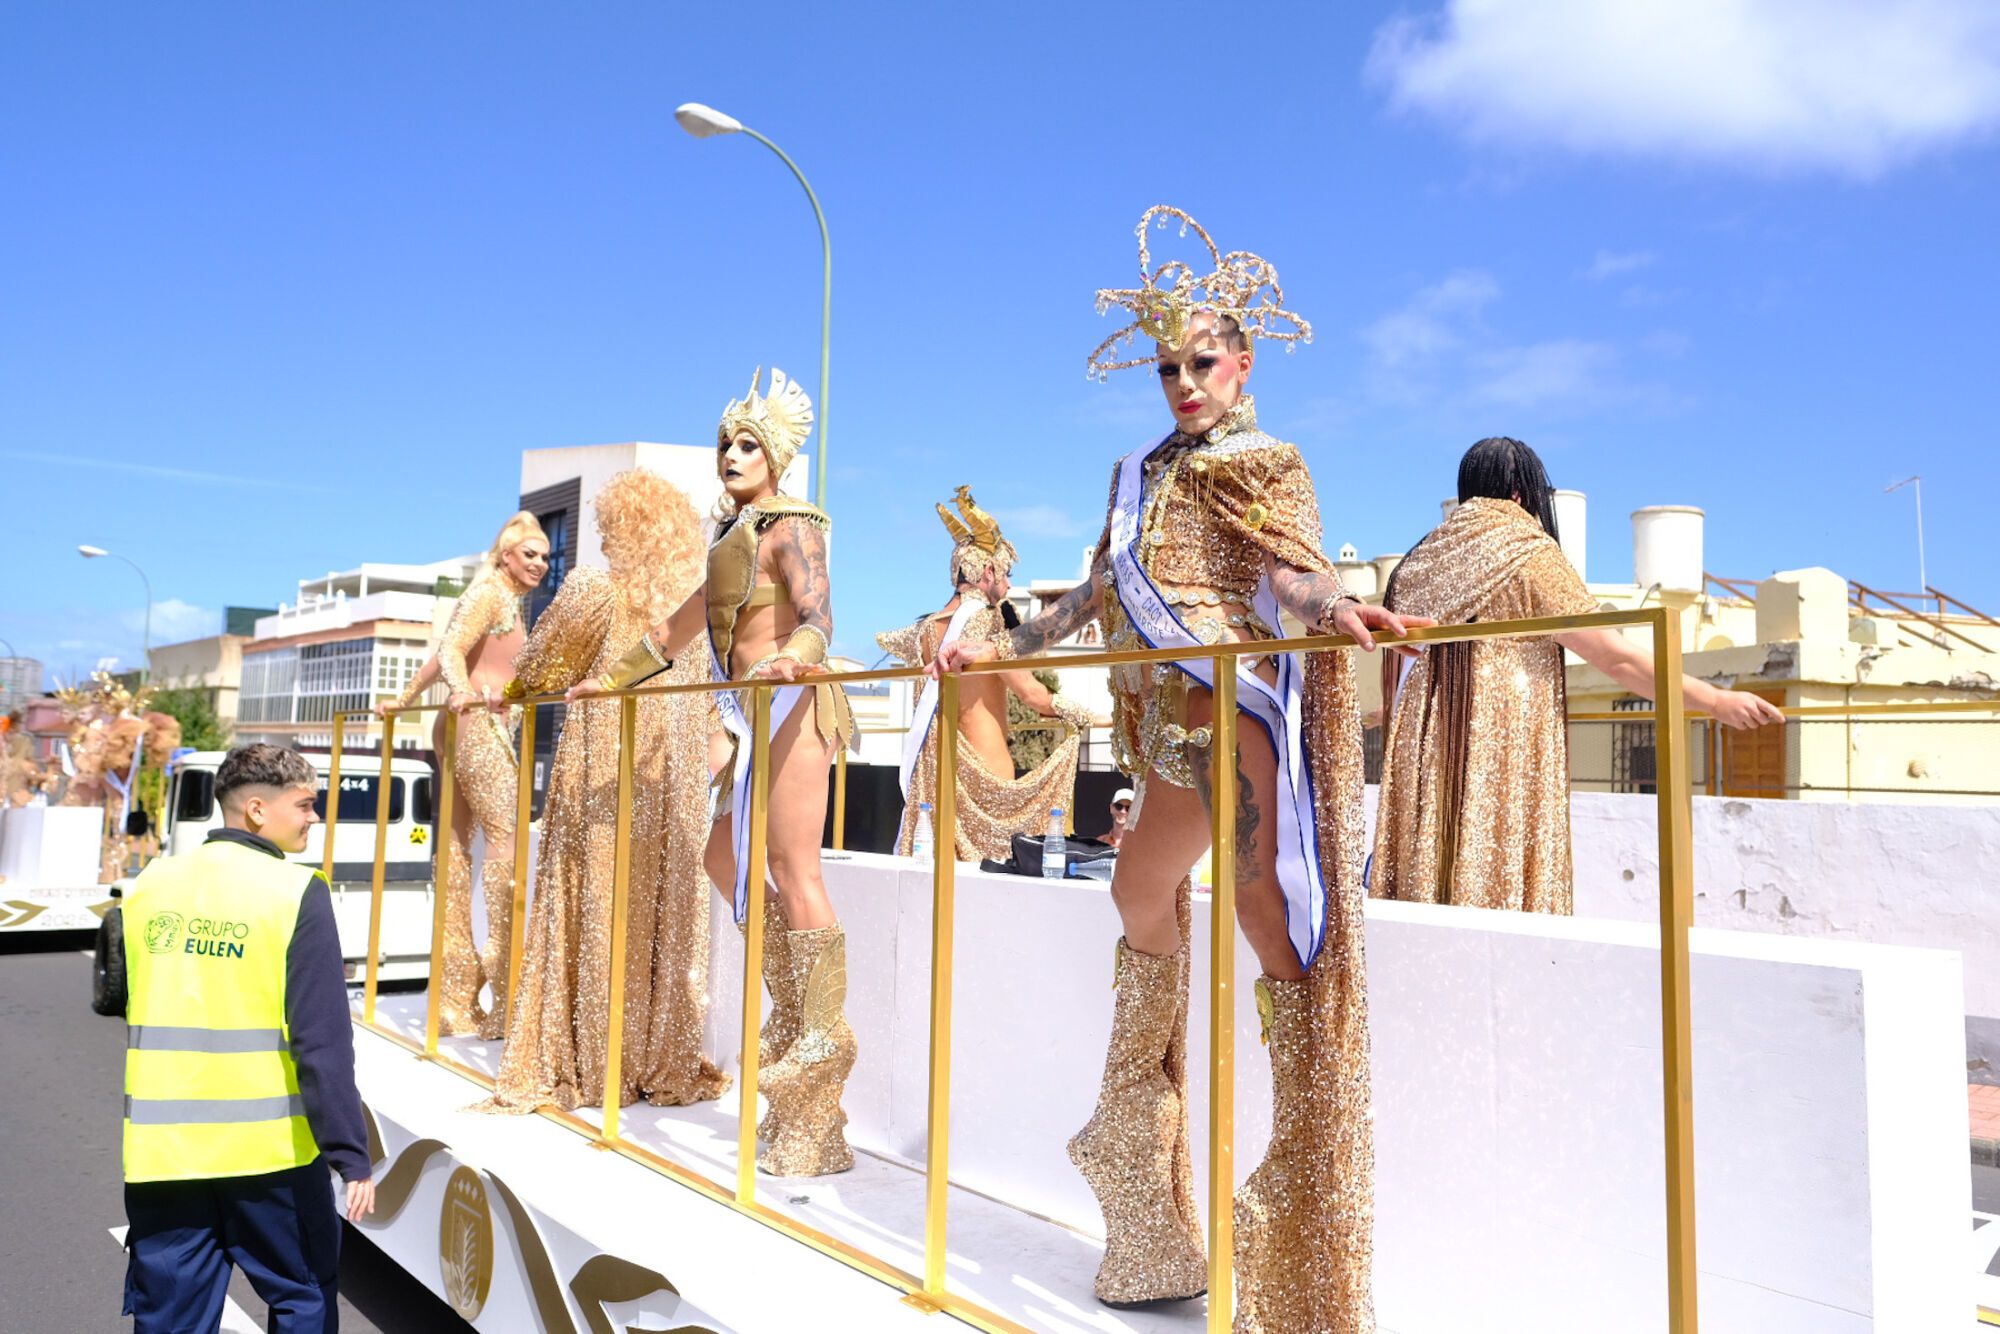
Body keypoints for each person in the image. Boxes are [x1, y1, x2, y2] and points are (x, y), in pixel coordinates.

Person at [935, 207, 1424, 1329]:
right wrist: (1002, 637)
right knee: (1133, 890)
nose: (1182, 384)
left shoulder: (1266, 459)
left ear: (1241, 362)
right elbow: (1092, 598)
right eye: (1166, 368)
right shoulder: (1138, 476)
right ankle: (1139, 1151)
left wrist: (1339, 603)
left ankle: (1300, 1199)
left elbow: (1291, 578)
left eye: (1199, 362)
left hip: (1230, 711)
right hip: (1159, 725)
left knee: (1268, 926)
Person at [570, 367, 857, 1177]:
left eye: (747, 444)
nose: (730, 455)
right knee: (722, 860)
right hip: (745, 717)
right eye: (725, 443)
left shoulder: (793, 527)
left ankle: (820, 1054)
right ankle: (798, 1017)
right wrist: (610, 680)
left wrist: (794, 662)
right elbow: (672, 632)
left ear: (776, 457)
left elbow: (818, 617)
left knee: (794, 869)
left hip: (794, 707)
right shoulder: (733, 537)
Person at [1371, 437, 1783, 912]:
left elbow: (1404, 664)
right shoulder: (1526, 550)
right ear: (1522, 494)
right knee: (1494, 864)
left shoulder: (1416, 561)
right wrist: (1713, 700)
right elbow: (1614, 656)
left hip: (1423, 745)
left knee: (1430, 871)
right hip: (1499, 739)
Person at [479, 470, 730, 1112]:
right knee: (658, 917)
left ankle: (593, 1055)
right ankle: (653, 1054)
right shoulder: (692, 611)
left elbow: (537, 670)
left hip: (603, 776)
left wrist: (509, 693)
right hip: (671, 787)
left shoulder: (596, 589)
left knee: (595, 905)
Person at [120, 744, 374, 1333]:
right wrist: (350, 1155)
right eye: (306, 804)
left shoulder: (151, 883)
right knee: (302, 1297)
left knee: (171, 1314)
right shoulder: (294, 892)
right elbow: (322, 1043)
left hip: (164, 1151)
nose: (315, 817)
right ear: (256, 810)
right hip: (270, 1157)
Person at [384, 512, 549, 1038]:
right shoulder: (491, 595)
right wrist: (461, 693)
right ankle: (502, 993)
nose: (541, 565)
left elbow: (443, 651)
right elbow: (452, 652)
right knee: (504, 843)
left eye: (545, 557)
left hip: (464, 723)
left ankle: (456, 996)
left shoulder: (499, 599)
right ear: (506, 556)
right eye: (530, 555)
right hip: (478, 725)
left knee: (454, 850)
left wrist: (404, 701)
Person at [875, 486, 1095, 860]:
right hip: (987, 777)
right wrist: (1083, 714)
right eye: (1007, 573)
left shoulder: (925, 629)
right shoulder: (990, 623)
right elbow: (1031, 695)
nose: (1008, 584)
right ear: (988, 571)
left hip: (932, 777)